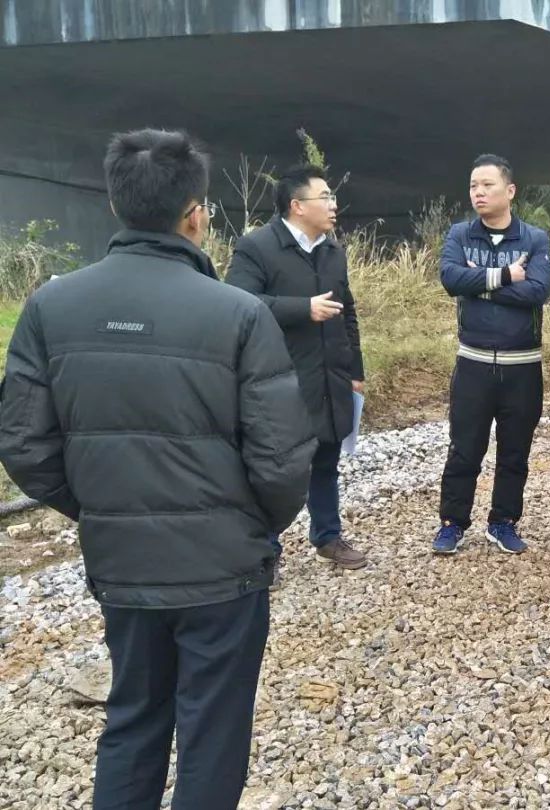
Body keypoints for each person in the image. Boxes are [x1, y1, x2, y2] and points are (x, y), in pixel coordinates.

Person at [0, 128, 316, 809]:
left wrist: (101, 505)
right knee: (213, 733)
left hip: (122, 561)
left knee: (133, 718)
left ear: (116, 205)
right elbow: (283, 456)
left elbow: (23, 442)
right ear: (196, 214)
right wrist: (252, 523)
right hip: (224, 567)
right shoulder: (238, 312)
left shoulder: (51, 305)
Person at [226, 164, 366, 572]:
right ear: (296, 205)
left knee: (326, 460)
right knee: (274, 469)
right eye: (325, 197)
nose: (333, 205)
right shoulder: (257, 247)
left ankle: (328, 537)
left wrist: (355, 370)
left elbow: (348, 312)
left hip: (330, 375)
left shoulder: (332, 250)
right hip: (278, 379)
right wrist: (302, 309)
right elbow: (237, 303)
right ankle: (265, 550)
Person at [432, 154, 550, 555]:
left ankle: (503, 521)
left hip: (522, 365)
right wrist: (502, 276)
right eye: (473, 186)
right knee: (464, 448)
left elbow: (537, 291)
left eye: (487, 185)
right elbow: (451, 278)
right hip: (474, 363)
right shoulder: (460, 234)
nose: (478, 192)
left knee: (515, 451)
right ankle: (452, 523)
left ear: (510, 190)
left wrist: (479, 285)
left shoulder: (534, 239)